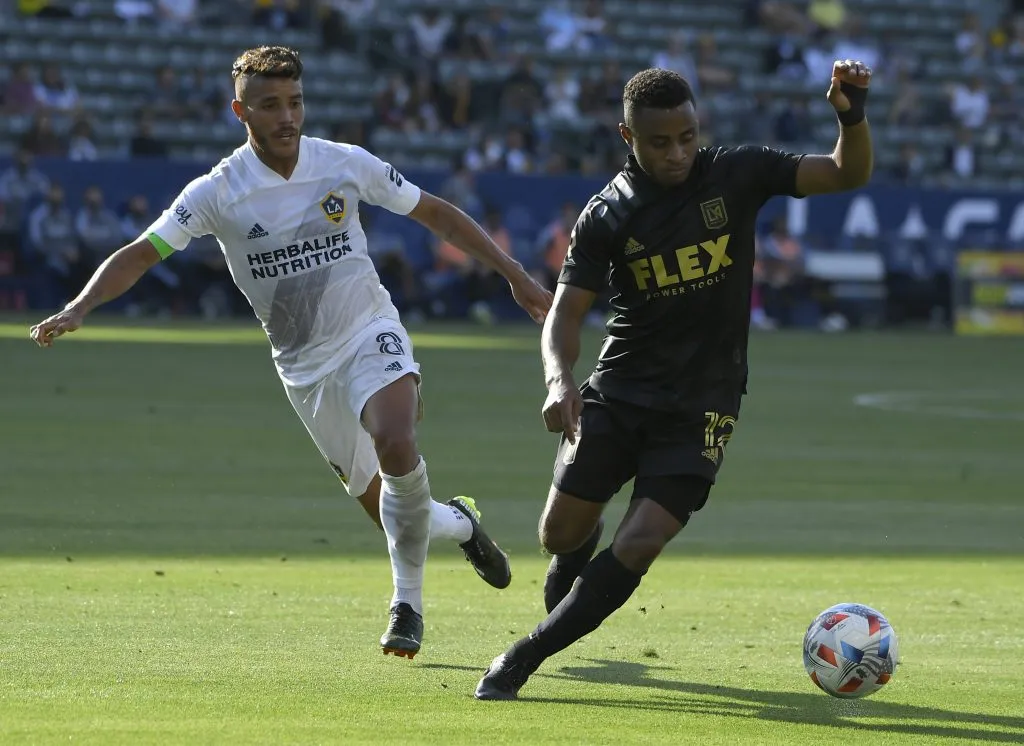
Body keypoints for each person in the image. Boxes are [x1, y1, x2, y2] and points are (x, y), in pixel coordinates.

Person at [28, 46, 553, 661]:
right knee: (395, 515)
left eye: (295, 102)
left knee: (396, 440)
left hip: (369, 330)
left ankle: (406, 605)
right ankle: (460, 522)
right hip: (304, 369)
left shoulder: (344, 164)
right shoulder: (217, 193)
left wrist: (514, 273)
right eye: (270, 105)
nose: (287, 117)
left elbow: (434, 213)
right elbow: (143, 252)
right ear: (240, 111)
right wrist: (81, 306)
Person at [475, 60, 873, 700]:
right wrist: (558, 379)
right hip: (621, 388)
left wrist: (850, 116)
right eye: (660, 141)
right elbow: (566, 313)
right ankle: (577, 564)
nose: (678, 152)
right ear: (628, 137)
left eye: (687, 136)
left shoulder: (736, 172)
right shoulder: (607, 215)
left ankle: (521, 658)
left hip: (704, 406)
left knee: (644, 540)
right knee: (559, 536)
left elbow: (847, 171)